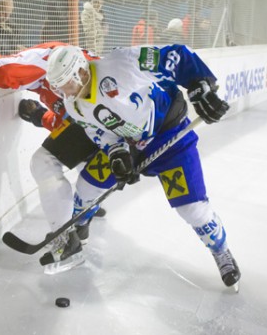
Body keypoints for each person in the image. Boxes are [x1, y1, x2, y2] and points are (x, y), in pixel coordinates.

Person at [44, 44, 241, 289]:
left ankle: (221, 250)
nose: (62, 90)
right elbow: (99, 132)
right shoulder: (73, 104)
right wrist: (116, 152)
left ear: (81, 73)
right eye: (57, 85)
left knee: (193, 210)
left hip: (170, 136)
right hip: (131, 143)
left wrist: (199, 85)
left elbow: (175, 57)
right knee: (85, 187)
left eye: (65, 82)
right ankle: (81, 227)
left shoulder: (120, 64)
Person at [0, 42, 109, 274]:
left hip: (110, 129)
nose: (61, 89)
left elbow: (7, 70)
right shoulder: (68, 67)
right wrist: (42, 117)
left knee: (51, 165)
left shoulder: (50, 59)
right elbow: (71, 121)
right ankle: (77, 228)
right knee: (71, 167)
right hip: (104, 128)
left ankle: (73, 231)